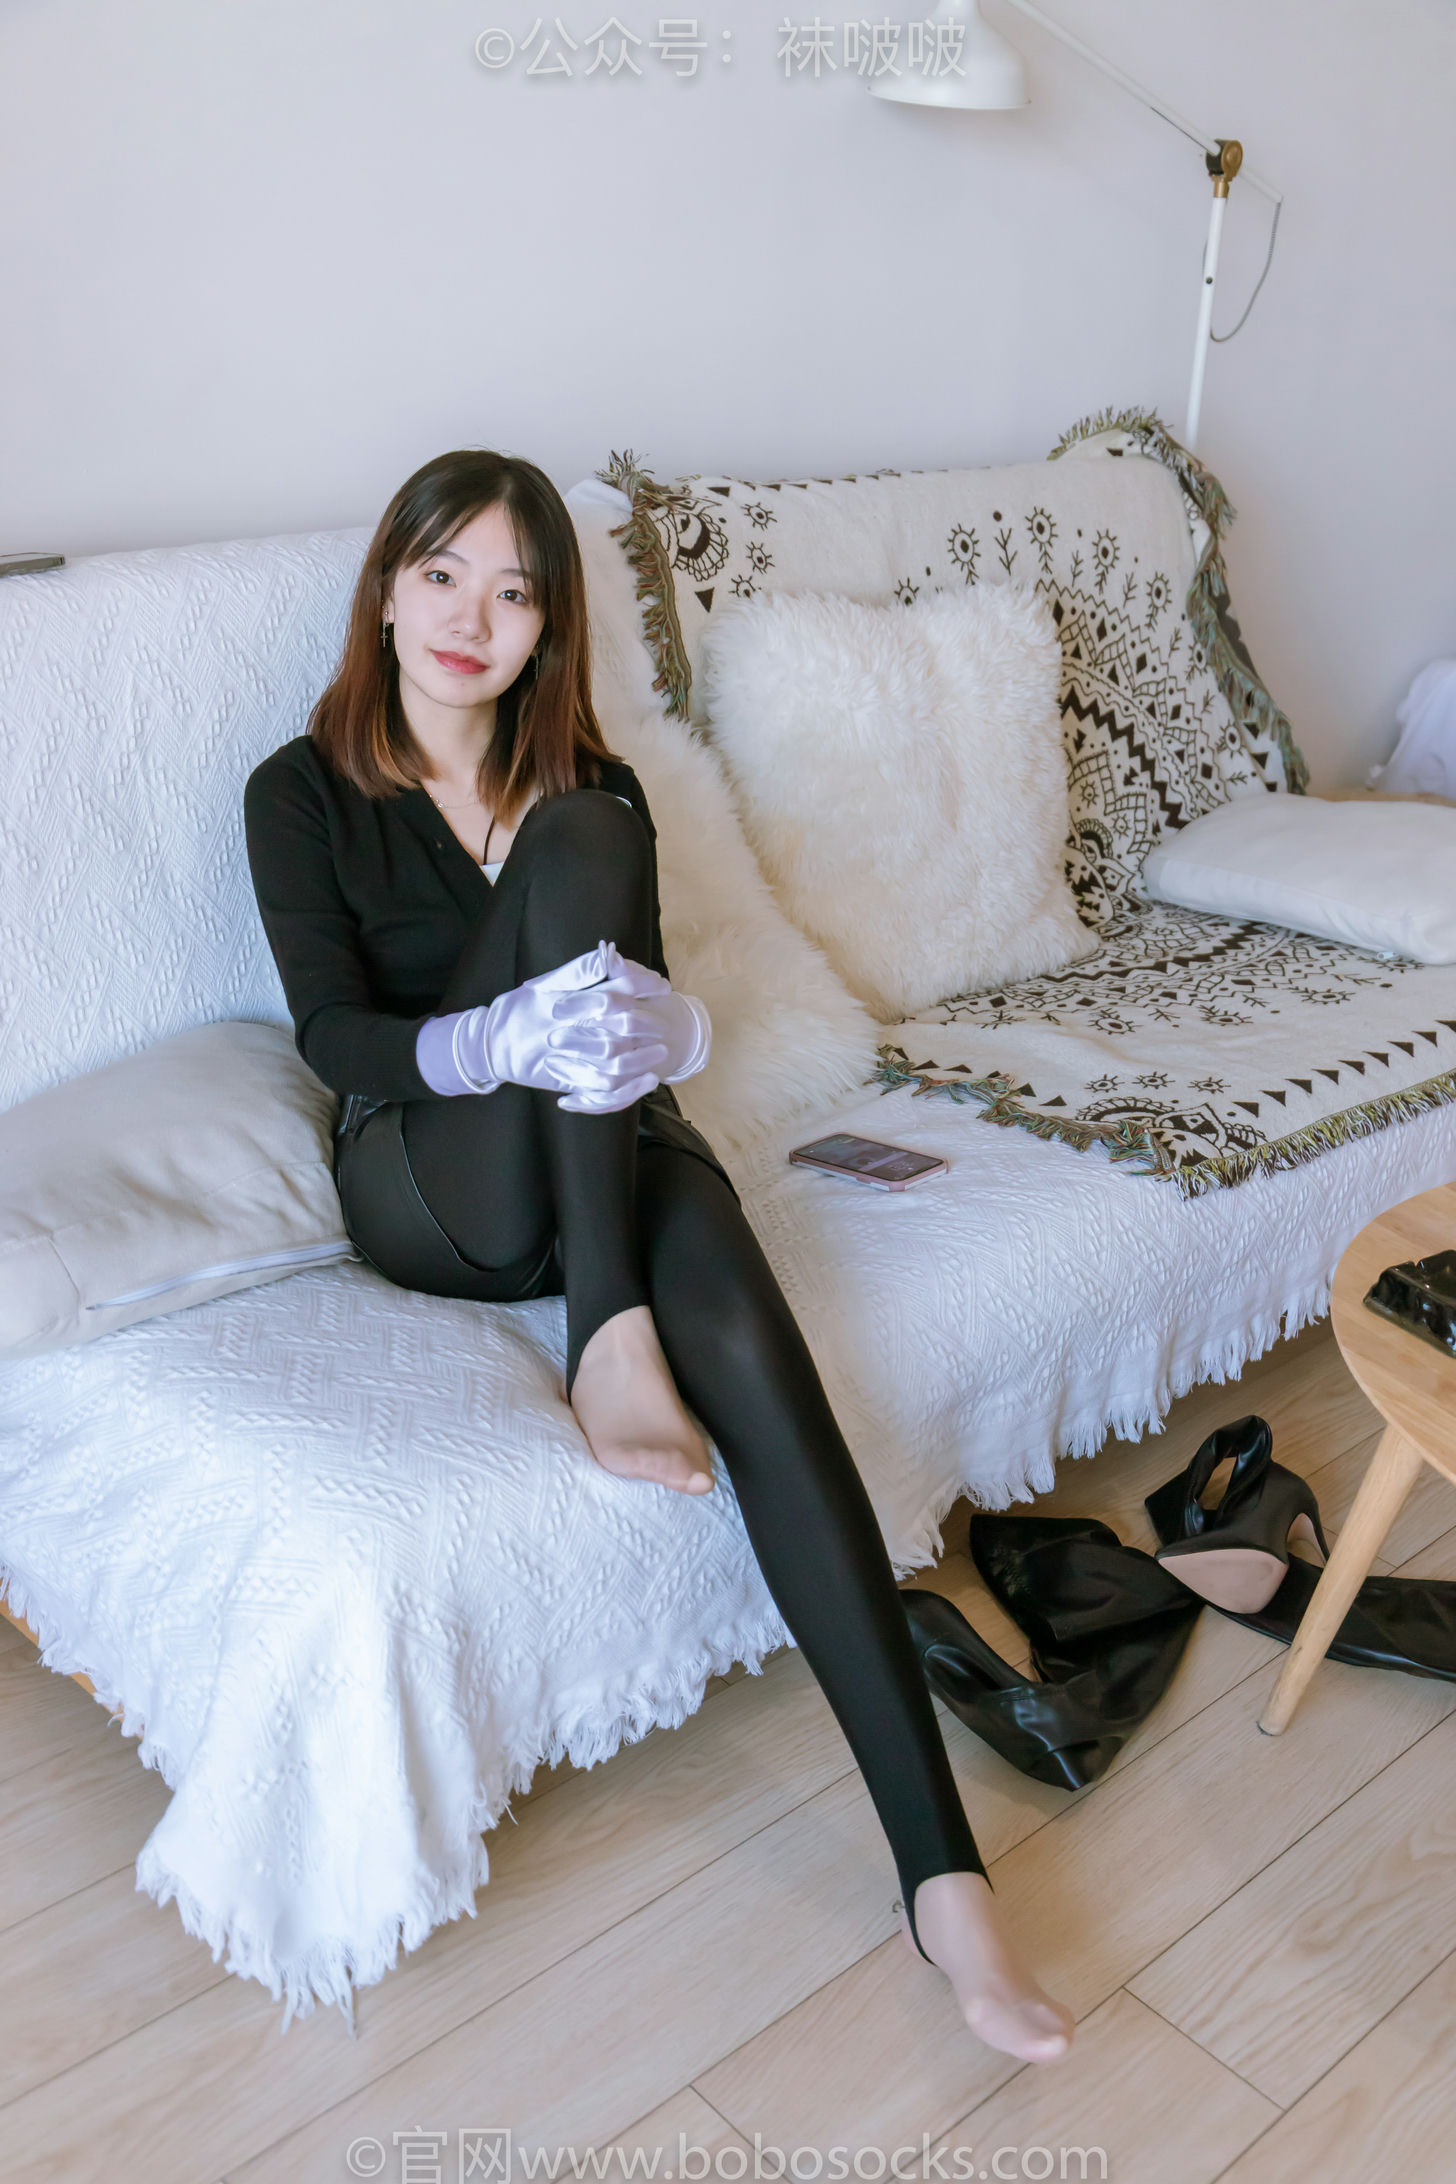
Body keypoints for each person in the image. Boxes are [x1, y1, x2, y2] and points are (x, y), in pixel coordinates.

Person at [242, 448, 1074, 2065]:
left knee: (758, 1353)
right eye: (441, 575)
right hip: (438, 1176)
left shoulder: (594, 791)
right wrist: (483, 1042)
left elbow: (634, 1025)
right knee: (574, 866)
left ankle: (943, 1877)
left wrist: (677, 1031)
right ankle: (608, 1329)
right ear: (388, 588)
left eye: (512, 591)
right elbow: (333, 1033)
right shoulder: (300, 789)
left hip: (608, 1162)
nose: (470, 618)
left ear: (549, 625)